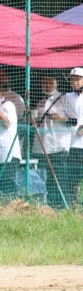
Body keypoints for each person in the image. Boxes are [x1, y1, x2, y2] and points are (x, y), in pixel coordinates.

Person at [31, 75, 72, 209]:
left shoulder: (64, 99)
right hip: (40, 147)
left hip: (58, 146)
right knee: (45, 179)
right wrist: (33, 121)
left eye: (50, 81)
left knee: (59, 178)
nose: (47, 84)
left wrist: (61, 118)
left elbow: (75, 120)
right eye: (44, 81)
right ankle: (48, 207)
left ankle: (63, 207)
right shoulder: (40, 102)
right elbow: (36, 124)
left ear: (57, 82)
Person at [62, 67, 83, 206]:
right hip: (70, 144)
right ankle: (73, 204)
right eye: (72, 79)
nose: (74, 82)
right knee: (72, 177)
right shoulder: (66, 97)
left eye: (78, 79)